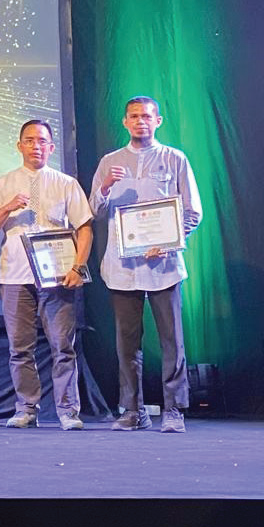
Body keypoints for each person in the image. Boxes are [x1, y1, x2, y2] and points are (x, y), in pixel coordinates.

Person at [89, 96, 202, 433]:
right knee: (127, 343)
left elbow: (192, 212)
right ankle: (132, 410)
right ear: (125, 122)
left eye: (147, 116)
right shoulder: (109, 161)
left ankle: (174, 410)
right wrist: (107, 185)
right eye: (134, 116)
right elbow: (94, 210)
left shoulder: (174, 159)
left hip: (164, 266)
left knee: (172, 341)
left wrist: (166, 243)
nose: (141, 121)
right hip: (122, 268)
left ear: (158, 121)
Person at [0, 120, 93, 430]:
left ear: (52, 147)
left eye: (42, 141)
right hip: (15, 276)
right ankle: (26, 408)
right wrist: (8, 208)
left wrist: (78, 266)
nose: (36, 146)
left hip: (56, 276)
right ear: (19, 146)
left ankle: (68, 411)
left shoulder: (66, 182)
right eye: (29, 140)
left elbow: (84, 227)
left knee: (62, 346)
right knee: (19, 347)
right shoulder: (4, 183)